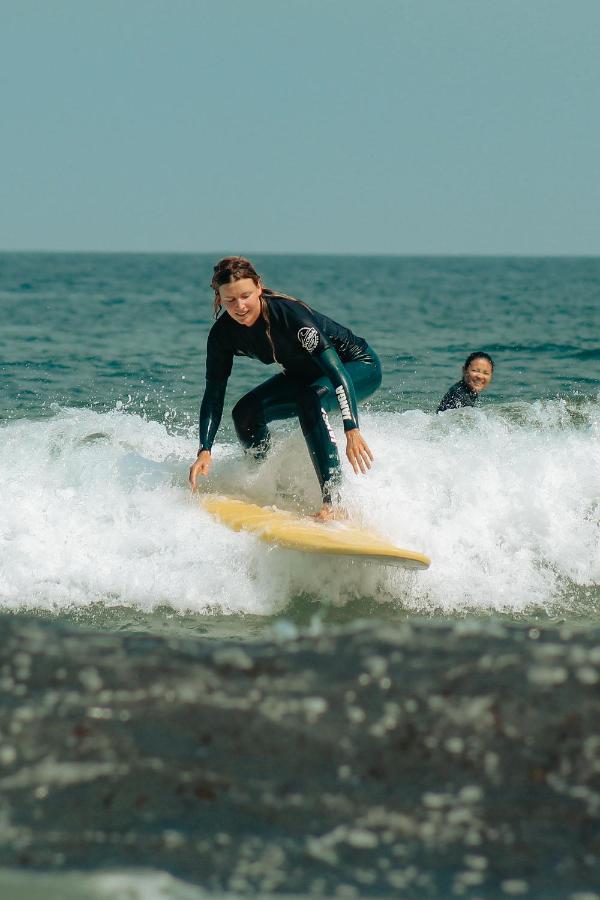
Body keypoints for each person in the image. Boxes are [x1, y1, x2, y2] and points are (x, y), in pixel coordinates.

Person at [189, 256, 382, 519]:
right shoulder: (222, 335)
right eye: (230, 300)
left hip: (356, 368)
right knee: (245, 413)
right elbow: (214, 393)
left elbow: (336, 373)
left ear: (258, 286)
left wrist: (352, 428)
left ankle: (334, 502)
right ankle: (271, 485)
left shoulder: (290, 316)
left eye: (245, 295)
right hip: (304, 375)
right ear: (219, 298)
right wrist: (205, 449)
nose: (240, 306)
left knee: (310, 399)